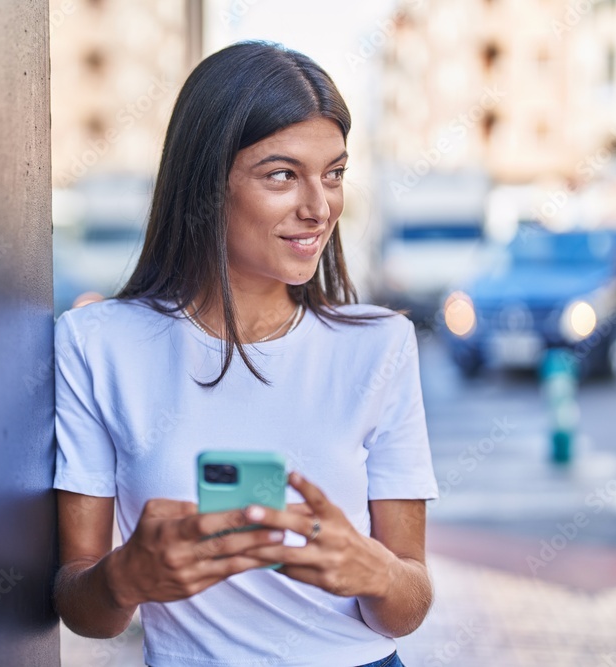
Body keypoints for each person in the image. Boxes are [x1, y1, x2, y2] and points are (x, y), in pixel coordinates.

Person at [52, 40, 439, 667]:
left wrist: (373, 571)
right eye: (282, 175)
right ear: (208, 183)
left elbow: (409, 604)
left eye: (334, 173)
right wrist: (125, 577)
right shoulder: (98, 344)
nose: (319, 207)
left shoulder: (379, 344)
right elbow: (80, 604)